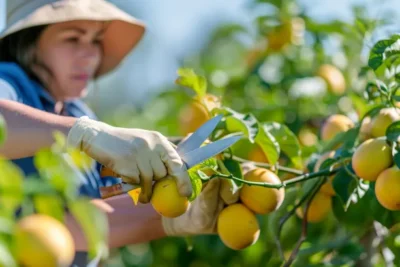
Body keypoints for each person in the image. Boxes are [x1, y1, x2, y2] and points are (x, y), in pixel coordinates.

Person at [0, 0, 239, 266]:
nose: (90, 55)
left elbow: (80, 226)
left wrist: (175, 217)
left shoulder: (77, 112)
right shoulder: (10, 83)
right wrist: (83, 134)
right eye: (72, 39)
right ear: (28, 43)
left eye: (95, 41)